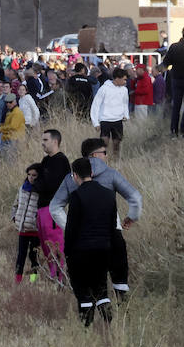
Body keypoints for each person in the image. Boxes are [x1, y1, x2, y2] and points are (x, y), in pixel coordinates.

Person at [49, 137, 141, 307]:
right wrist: (132, 217)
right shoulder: (111, 174)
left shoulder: (72, 177)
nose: (106, 156)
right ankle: (124, 310)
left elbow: (55, 207)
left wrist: (71, 226)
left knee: (94, 283)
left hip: (84, 239)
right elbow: (135, 197)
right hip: (112, 231)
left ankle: (95, 314)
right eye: (104, 153)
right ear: (94, 154)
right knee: (119, 275)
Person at [63, 157, 118, 326]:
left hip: (81, 250)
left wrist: (68, 252)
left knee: (83, 291)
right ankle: (109, 324)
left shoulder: (77, 196)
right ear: (92, 173)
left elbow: (71, 228)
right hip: (103, 248)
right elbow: (112, 225)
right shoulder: (109, 194)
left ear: (75, 175)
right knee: (101, 289)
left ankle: (86, 328)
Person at [34, 130, 71, 283]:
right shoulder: (45, 161)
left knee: (55, 244)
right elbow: (37, 182)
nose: (42, 142)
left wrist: (39, 184)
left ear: (55, 142)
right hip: (42, 207)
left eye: (45, 139)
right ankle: (53, 275)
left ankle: (60, 277)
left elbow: (51, 185)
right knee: (45, 245)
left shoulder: (61, 161)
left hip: (53, 209)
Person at [162, 27, 184, 137]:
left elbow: (166, 63)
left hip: (176, 78)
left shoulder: (174, 46)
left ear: (182, 34)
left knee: (176, 106)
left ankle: (174, 130)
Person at [11, 163, 43, 284]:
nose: (31, 177)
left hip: (35, 230)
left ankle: (33, 280)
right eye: (29, 174)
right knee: (21, 255)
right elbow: (15, 204)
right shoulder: (22, 188)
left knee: (33, 255)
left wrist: (38, 221)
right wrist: (14, 217)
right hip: (23, 228)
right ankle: (17, 280)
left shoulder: (41, 191)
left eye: (34, 175)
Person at [90, 68, 131, 154]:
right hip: (105, 120)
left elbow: (125, 103)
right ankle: (103, 159)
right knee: (104, 143)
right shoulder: (104, 89)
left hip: (118, 120)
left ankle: (115, 161)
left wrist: (126, 115)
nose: (125, 82)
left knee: (117, 143)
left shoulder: (124, 90)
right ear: (117, 78)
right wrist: (96, 123)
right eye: (124, 79)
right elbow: (95, 105)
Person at [0, 94, 27, 160]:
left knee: (12, 158)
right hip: (9, 137)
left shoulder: (17, 112)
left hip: (15, 138)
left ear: (15, 102)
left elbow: (13, 126)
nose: (8, 104)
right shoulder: (11, 112)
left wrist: (1, 128)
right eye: (6, 102)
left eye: (10, 102)